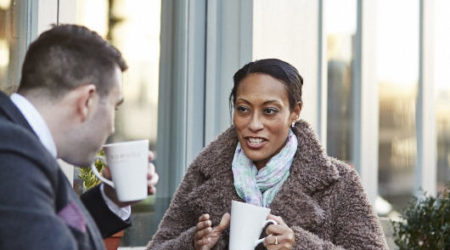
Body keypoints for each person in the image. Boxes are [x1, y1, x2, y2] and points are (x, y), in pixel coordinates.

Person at [147, 58, 387, 249]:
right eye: (243, 109)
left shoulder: (340, 183)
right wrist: (192, 243)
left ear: (295, 111)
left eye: (269, 111)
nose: (253, 124)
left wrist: (300, 245)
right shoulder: (204, 174)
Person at [0, 24, 158, 249]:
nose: (112, 128)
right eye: (114, 107)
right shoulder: (11, 154)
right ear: (87, 101)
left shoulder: (23, 146)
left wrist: (113, 198)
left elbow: (55, 225)